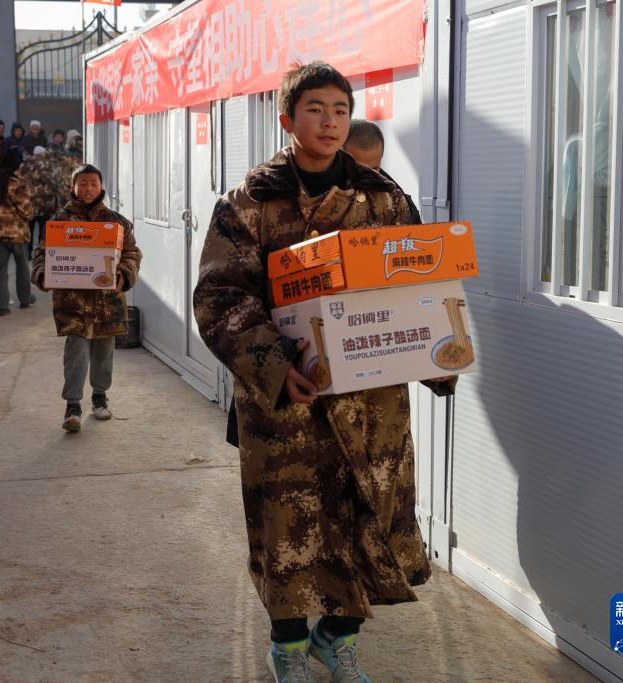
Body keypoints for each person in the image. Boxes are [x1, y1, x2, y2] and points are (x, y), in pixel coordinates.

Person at [194, 62, 454, 683]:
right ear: (288, 119)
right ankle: (287, 648)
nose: (330, 121)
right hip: (290, 402)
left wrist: (437, 352)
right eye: (315, 109)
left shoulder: (384, 198)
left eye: (340, 109)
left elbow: (420, 281)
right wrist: (275, 366)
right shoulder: (250, 202)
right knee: (290, 529)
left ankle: (337, 639)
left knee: (369, 517)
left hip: (371, 400)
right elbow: (220, 296)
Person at [31, 164, 142, 432]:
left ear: (101, 187)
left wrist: (124, 274)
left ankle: (100, 397)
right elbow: (42, 254)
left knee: (104, 352)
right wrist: (43, 273)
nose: (88, 188)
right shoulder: (59, 221)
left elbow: (132, 253)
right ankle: (73, 405)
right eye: (83, 183)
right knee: (76, 352)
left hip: (107, 301)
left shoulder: (117, 222)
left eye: (93, 183)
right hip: (72, 302)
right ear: (73, 187)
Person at [0, 149, 36, 315]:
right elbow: (26, 211)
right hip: (17, 234)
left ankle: (2, 306)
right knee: (22, 266)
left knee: (0, 269)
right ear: (17, 165)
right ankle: (25, 298)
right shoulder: (18, 184)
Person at [344, 119, 422, 224]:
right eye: (360, 169)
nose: (368, 176)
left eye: (374, 169)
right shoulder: (325, 193)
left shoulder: (395, 199)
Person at [18, 145, 68, 255]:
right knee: (43, 230)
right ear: (44, 154)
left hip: (29, 204)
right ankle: (41, 252)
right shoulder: (50, 166)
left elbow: (19, 183)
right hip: (46, 204)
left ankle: (28, 252)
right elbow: (57, 183)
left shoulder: (24, 166)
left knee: (29, 229)